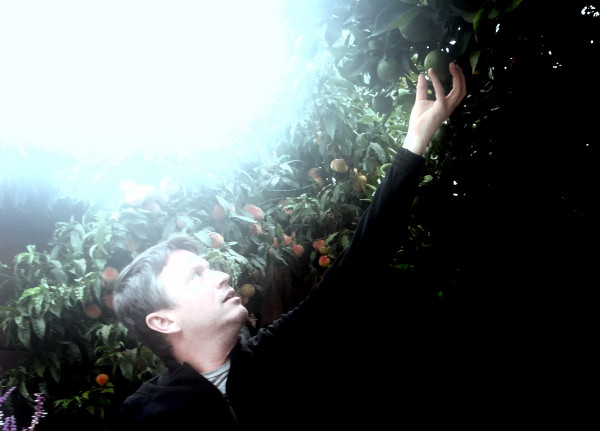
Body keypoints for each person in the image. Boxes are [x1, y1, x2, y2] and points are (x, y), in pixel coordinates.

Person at [113, 63, 466, 430]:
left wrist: (415, 141)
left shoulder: (278, 352)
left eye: (210, 268)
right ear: (163, 321)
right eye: (195, 277)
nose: (221, 276)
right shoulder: (144, 420)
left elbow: (360, 262)